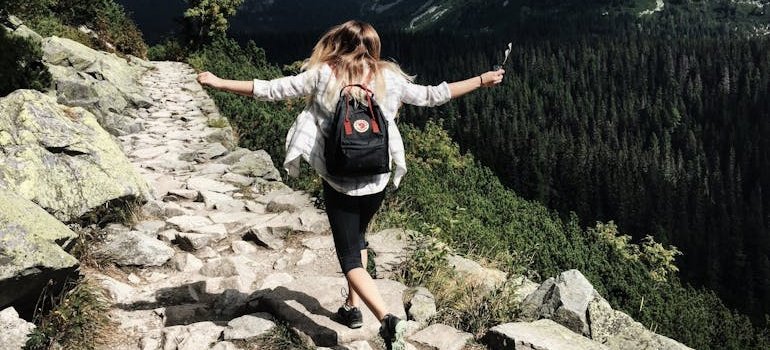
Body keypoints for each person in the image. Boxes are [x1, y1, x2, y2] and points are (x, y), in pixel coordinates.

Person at [197, 20, 505, 350]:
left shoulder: (323, 74)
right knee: (359, 238)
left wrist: (219, 82)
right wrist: (482, 80)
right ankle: (352, 309)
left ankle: (388, 321)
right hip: (378, 176)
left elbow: (271, 89)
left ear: (338, 43)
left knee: (349, 258)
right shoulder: (389, 76)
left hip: (340, 179)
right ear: (374, 47)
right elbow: (434, 96)